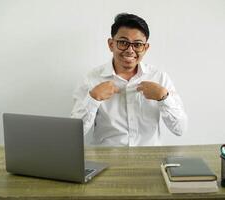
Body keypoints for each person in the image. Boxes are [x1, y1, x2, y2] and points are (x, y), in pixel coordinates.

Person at [71, 13, 187, 146]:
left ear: (146, 48)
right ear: (111, 44)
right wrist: (93, 99)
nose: (130, 50)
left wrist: (163, 98)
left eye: (137, 44)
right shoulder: (91, 79)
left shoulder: (159, 77)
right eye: (123, 42)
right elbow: (75, 133)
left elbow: (180, 129)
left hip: (150, 158)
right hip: (106, 159)